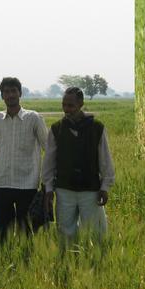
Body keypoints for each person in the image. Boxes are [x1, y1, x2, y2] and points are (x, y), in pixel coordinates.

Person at [42, 88, 115, 243]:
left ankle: (94, 263)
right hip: (64, 190)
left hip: (90, 190)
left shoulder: (97, 128)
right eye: (64, 105)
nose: (67, 110)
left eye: (71, 105)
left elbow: (105, 159)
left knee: (95, 232)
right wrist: (48, 188)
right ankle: (69, 262)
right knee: (65, 232)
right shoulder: (56, 129)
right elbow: (48, 161)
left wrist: (105, 187)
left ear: (81, 104)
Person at [0, 77, 48, 243]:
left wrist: (47, 179)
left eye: (13, 91)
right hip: (1, 183)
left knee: (26, 233)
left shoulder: (34, 118)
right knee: (2, 233)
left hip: (27, 184)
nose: (10, 95)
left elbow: (48, 148)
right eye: (6, 92)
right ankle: (4, 263)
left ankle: (26, 264)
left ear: (20, 93)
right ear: (2, 96)